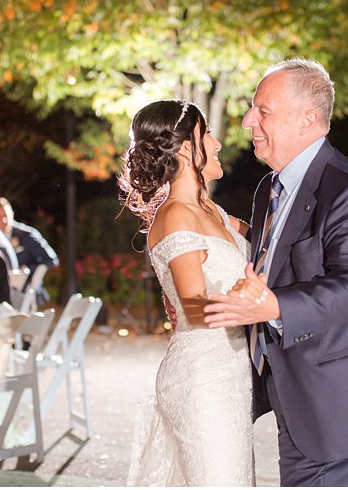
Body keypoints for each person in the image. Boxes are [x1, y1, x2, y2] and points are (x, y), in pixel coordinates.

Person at [205, 58, 348, 486]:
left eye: (262, 111)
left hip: (340, 400)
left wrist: (275, 304)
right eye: (252, 109)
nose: (248, 121)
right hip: (296, 396)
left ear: (308, 119)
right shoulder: (269, 189)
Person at [119, 100, 254, 486]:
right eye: (207, 134)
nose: (217, 143)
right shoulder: (178, 214)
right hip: (201, 381)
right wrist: (254, 303)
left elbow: (266, 240)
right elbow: (194, 308)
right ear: (183, 149)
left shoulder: (212, 210)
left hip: (229, 375)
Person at [0, 197, 59, 303]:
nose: (3, 220)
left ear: (12, 214)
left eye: (6, 215)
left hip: (27, 293)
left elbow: (52, 259)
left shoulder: (27, 235)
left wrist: (26, 271)